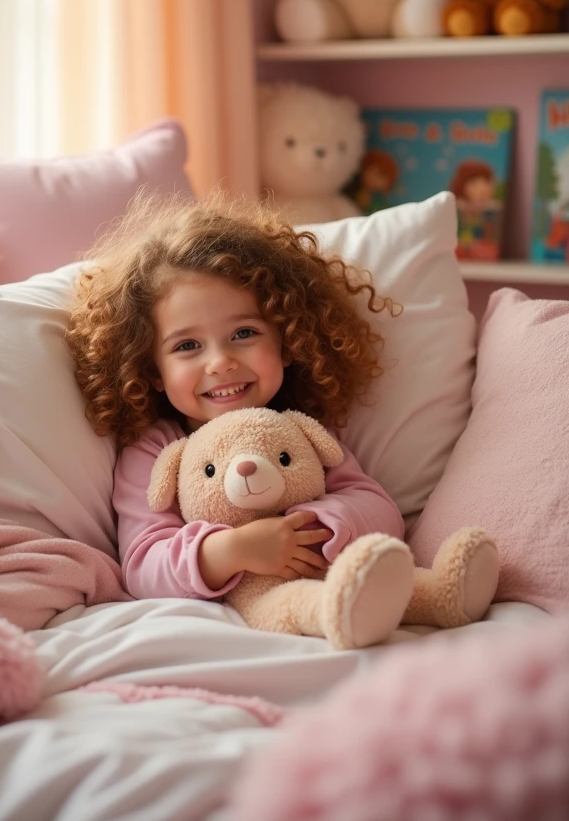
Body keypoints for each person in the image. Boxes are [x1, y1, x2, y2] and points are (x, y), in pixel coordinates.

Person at [66, 192, 405, 603]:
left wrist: (314, 525)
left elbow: (382, 513)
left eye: (244, 334)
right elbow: (143, 566)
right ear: (153, 371)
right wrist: (232, 551)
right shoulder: (154, 449)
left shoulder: (299, 428)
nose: (221, 363)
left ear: (287, 342)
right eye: (187, 346)